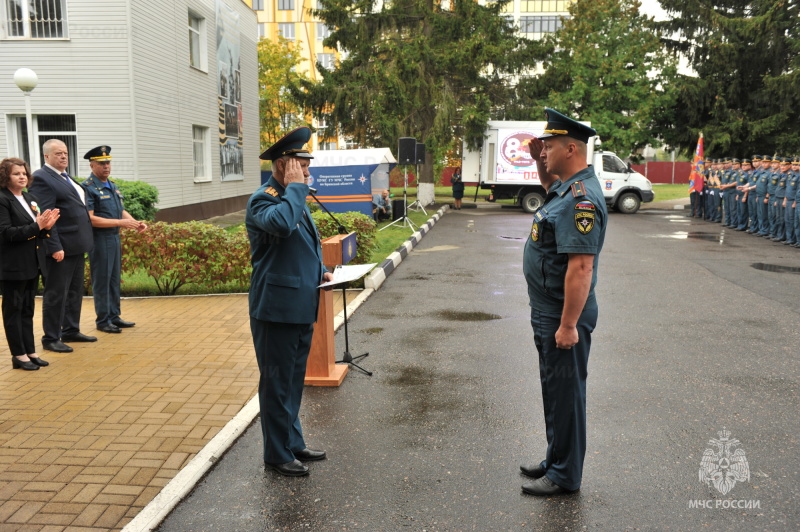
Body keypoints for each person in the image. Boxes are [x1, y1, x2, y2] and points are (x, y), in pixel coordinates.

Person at [520, 108, 607, 496]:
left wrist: (568, 325)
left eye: (550, 146)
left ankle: (565, 475)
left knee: (567, 394)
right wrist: (539, 163)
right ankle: (556, 457)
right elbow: (548, 185)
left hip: (562, 315)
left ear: (571, 148)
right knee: (554, 389)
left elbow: (581, 268)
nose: (544, 151)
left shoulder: (581, 199)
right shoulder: (564, 186)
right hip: (548, 311)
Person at [245, 127, 334, 477]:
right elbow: (282, 226)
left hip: (299, 304)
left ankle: (293, 441)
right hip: (276, 310)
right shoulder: (264, 199)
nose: (308, 173)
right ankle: (277, 454)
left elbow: (303, 244)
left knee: (293, 382)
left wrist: (322, 270)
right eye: (302, 166)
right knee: (277, 383)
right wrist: (295, 188)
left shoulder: (293, 196)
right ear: (284, 166)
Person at [28, 139, 96, 353]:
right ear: (46, 157)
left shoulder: (66, 177)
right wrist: (54, 246)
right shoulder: (42, 178)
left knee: (75, 291)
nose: (64, 156)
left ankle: (70, 330)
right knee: (57, 293)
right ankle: (50, 337)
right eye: (58, 153)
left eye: (65, 153)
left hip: (76, 245)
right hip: (61, 248)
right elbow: (46, 215)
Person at [0, 158, 60, 370]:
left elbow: (38, 231)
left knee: (27, 309)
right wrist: (38, 226)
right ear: (6, 176)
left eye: (24, 173)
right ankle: (18, 355)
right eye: (17, 174)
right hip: (13, 266)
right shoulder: (3, 199)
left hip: (32, 264)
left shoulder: (30, 198)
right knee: (13, 311)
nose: (23, 176)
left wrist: (47, 227)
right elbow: (6, 233)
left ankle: (30, 351)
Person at [81, 146, 147, 333]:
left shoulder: (112, 185)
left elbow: (121, 210)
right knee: (102, 280)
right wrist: (120, 222)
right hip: (100, 239)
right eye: (101, 163)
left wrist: (134, 222)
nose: (106, 166)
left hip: (114, 238)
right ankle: (103, 320)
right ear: (92, 165)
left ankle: (114, 316)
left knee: (113, 279)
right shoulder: (88, 188)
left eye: (108, 162)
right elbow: (90, 218)